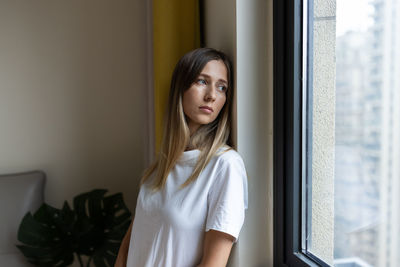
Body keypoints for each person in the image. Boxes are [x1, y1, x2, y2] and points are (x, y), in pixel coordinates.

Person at [114, 47, 248, 267]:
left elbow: (213, 264)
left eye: (222, 87)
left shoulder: (225, 165)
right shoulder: (159, 168)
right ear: (181, 87)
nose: (212, 95)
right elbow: (128, 247)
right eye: (202, 81)